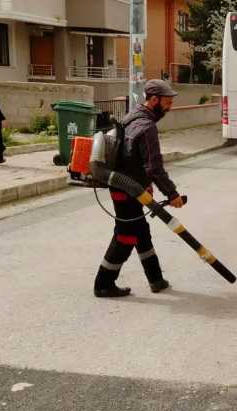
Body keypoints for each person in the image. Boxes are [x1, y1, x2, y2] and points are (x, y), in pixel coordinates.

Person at [94, 79, 185, 298]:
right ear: (154, 100)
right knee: (126, 235)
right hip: (127, 189)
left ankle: (156, 280)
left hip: (128, 187)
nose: (169, 107)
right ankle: (103, 284)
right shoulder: (147, 127)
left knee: (141, 231)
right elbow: (154, 168)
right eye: (167, 102)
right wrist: (171, 193)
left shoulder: (132, 115)